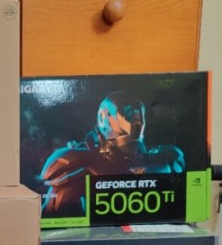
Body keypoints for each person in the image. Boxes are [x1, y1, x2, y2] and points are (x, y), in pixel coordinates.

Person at [38, 91, 185, 216]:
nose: (135, 119)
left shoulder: (166, 160)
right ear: (105, 118)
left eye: (136, 113)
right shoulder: (81, 165)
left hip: (146, 227)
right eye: (128, 112)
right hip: (92, 232)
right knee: (68, 189)